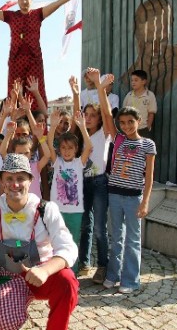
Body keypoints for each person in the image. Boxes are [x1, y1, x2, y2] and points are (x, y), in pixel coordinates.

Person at [0, 153, 79, 330]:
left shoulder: (46, 209)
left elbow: (68, 248)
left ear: (30, 181)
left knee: (67, 280)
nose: (15, 184)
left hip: (42, 274)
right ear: (1, 182)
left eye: (20, 178)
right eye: (9, 178)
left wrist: (44, 270)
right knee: (4, 322)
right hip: (9, 277)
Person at [97, 76, 157, 294]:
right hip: (114, 194)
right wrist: (100, 88)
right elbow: (105, 113)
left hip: (134, 197)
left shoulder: (148, 144)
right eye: (122, 123)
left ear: (138, 121)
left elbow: (149, 176)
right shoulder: (118, 139)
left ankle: (131, 280)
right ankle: (113, 275)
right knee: (117, 238)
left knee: (132, 239)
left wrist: (145, 202)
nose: (126, 126)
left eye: (130, 122)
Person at [71, 70, 113, 283]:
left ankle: (103, 266)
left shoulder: (104, 133)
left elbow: (107, 113)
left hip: (99, 183)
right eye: (85, 115)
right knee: (85, 225)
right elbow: (75, 119)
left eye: (92, 115)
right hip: (83, 183)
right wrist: (76, 94)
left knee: (99, 227)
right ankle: (84, 262)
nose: (87, 119)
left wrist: (99, 86)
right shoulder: (81, 133)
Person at [48, 110, 93, 275]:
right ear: (59, 149)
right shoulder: (57, 162)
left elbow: (89, 146)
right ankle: (55, 272)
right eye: (64, 148)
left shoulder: (78, 163)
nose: (67, 151)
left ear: (76, 150)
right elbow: (48, 145)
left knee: (73, 242)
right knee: (55, 241)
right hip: (57, 211)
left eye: (70, 148)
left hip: (75, 212)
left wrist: (81, 126)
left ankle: (71, 273)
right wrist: (52, 126)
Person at [122, 69, 157, 139]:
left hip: (143, 129)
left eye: (136, 80)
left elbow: (151, 113)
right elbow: (124, 112)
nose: (133, 82)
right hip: (129, 129)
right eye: (132, 80)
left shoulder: (149, 95)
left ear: (143, 81)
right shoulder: (129, 95)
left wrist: (148, 127)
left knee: (143, 149)